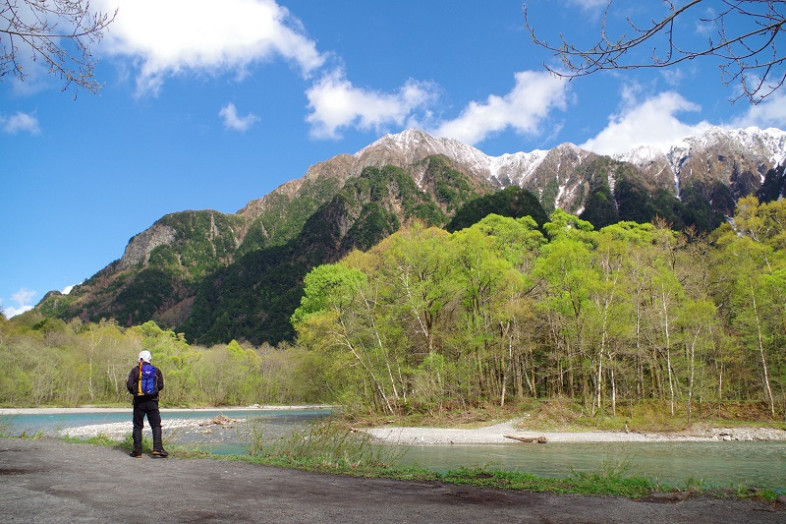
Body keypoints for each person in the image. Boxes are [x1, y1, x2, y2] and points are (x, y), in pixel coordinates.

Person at [126, 350, 168, 458]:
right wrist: (152, 392)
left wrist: (136, 393)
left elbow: (130, 385)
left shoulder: (135, 371)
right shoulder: (156, 371)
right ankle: (157, 449)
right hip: (153, 402)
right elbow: (161, 385)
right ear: (150, 359)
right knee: (156, 426)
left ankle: (137, 451)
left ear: (140, 359)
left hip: (139, 403)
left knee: (138, 426)